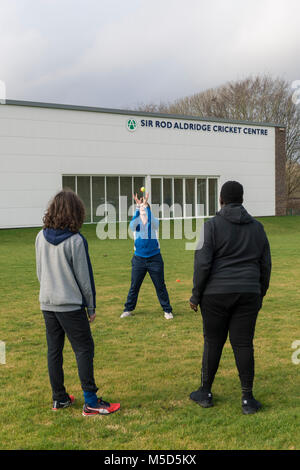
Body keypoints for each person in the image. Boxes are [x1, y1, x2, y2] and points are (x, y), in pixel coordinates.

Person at [189, 181, 271, 415]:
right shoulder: (258, 228)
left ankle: (205, 393)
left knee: (213, 342)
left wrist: (196, 295)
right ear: (242, 199)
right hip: (248, 292)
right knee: (243, 343)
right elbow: (265, 264)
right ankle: (247, 399)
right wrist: (259, 292)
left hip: (216, 294)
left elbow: (202, 265)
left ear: (221, 200)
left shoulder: (210, 226)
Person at [35, 190, 120, 416]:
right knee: (84, 349)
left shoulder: (39, 237)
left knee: (54, 350)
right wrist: (91, 307)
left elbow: (39, 272)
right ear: (76, 212)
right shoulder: (76, 241)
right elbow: (85, 279)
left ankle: (59, 398)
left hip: (47, 304)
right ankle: (91, 402)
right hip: (70, 305)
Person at [121, 192, 173, 320]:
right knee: (134, 286)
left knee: (160, 286)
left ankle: (167, 310)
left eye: (146, 208)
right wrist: (138, 208)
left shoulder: (153, 223)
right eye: (142, 209)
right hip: (138, 259)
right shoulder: (136, 223)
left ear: (149, 210)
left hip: (155, 258)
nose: (143, 211)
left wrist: (146, 207)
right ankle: (128, 309)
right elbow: (131, 225)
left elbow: (155, 224)